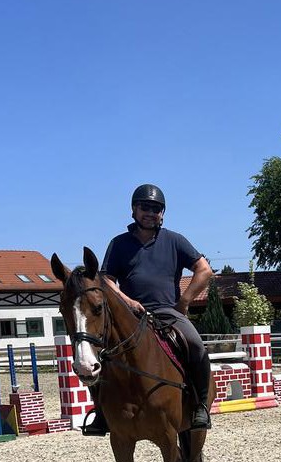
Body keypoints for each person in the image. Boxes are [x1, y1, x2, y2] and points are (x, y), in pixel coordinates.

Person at [82, 183, 214, 435]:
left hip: (167, 312)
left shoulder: (175, 240)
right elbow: (106, 280)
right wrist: (128, 301)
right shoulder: (118, 244)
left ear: (162, 213)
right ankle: (101, 412)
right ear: (134, 210)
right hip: (129, 316)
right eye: (145, 207)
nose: (150, 213)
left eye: (156, 209)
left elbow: (204, 270)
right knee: (99, 355)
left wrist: (184, 302)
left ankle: (200, 406)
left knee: (196, 345)